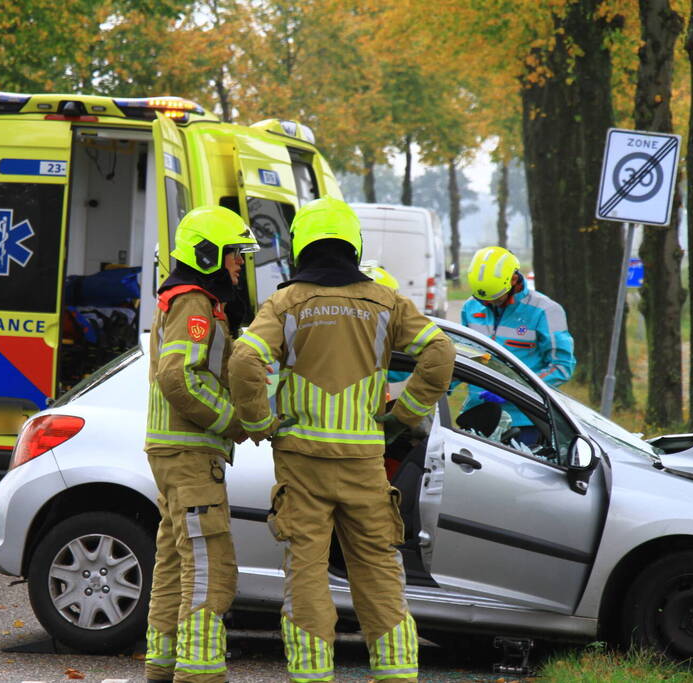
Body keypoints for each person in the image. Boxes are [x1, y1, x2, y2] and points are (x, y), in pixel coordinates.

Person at [227, 197, 455, 683]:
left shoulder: (286, 302)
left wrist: (260, 422)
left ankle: (312, 675)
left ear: (301, 245)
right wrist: (402, 418)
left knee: (307, 574)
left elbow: (245, 360)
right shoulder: (384, 301)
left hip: (302, 465)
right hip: (364, 465)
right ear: (353, 244)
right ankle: (396, 673)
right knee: (378, 571)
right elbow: (440, 351)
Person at [143, 205, 259, 683]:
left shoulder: (191, 302)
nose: (239, 264)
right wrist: (234, 420)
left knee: (174, 562)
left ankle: (164, 664)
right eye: (234, 254)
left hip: (174, 453)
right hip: (190, 454)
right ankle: (199, 673)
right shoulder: (192, 304)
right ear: (209, 254)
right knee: (211, 565)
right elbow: (180, 379)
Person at [461, 246, 576, 446]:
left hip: (525, 422)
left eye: (495, 298)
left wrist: (513, 389)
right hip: (478, 415)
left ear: (514, 280)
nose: (489, 304)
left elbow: (562, 367)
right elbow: (461, 355)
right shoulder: (471, 307)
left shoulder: (546, 311)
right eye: (483, 300)